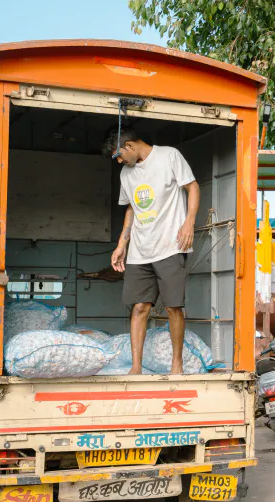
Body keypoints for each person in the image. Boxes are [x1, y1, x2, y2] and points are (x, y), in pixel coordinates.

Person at [104, 128, 200, 375]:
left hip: (170, 246)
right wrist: (122, 244)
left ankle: (176, 364)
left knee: (173, 307)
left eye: (119, 155)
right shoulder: (127, 173)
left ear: (129, 145)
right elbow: (131, 209)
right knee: (138, 307)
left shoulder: (169, 156)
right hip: (140, 250)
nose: (119, 161)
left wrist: (189, 222)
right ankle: (136, 368)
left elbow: (193, 187)